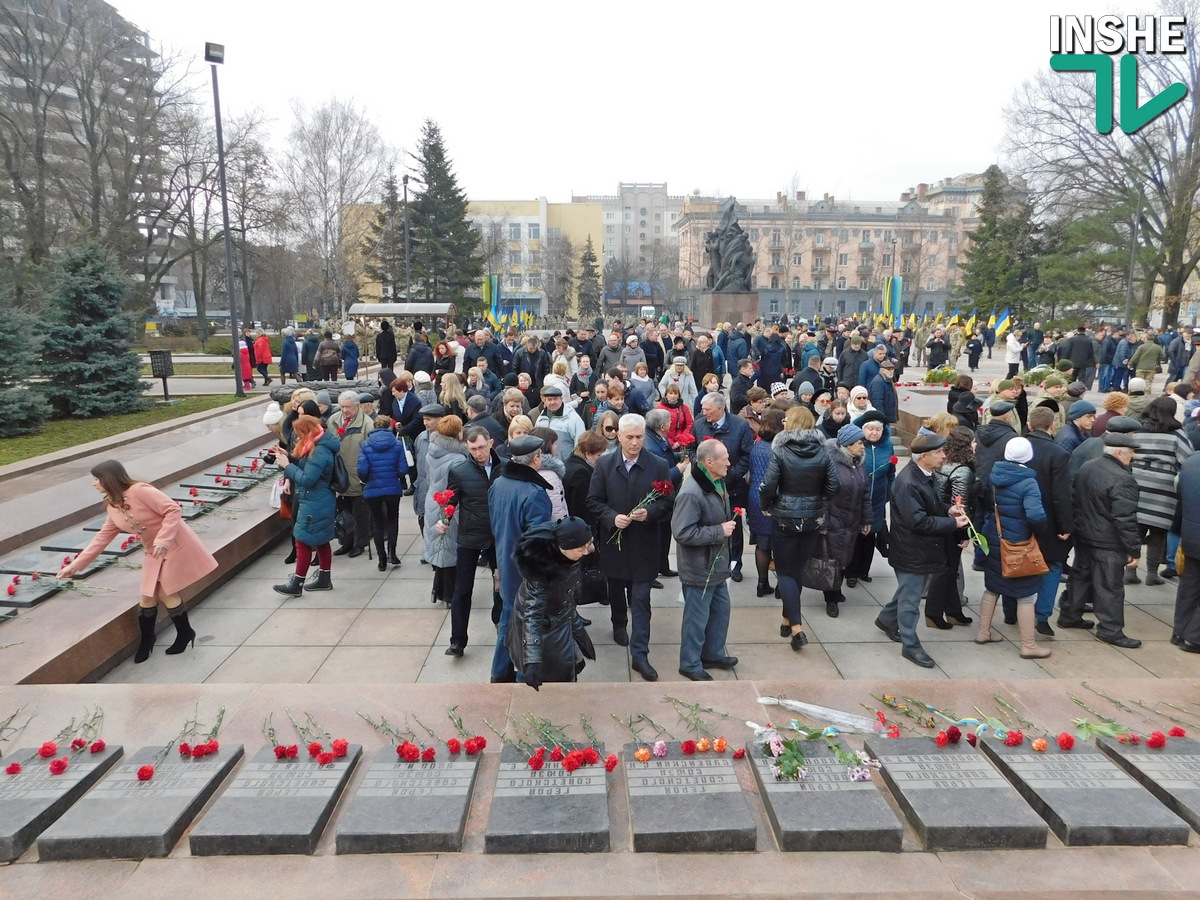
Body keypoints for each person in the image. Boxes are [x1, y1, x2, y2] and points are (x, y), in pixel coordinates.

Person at [61, 461, 217, 663]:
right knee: (147, 595)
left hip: (175, 544)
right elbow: (102, 538)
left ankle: (184, 633)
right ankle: (148, 640)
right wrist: (75, 566)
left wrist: (163, 539)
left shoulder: (140, 490)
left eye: (96, 479)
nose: (94, 483)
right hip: (154, 551)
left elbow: (172, 510)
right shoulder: (112, 505)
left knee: (164, 591)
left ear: (109, 479)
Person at [588, 413, 674, 681]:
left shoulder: (658, 464)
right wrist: (611, 517)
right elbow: (593, 501)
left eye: (639, 437)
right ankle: (618, 623)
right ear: (619, 437)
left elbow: (668, 502)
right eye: (630, 437)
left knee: (640, 599)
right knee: (616, 589)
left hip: (645, 546)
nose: (635, 442)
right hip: (615, 544)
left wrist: (649, 512)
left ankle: (640, 654)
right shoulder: (604, 465)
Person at [874, 433, 971, 668]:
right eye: (939, 452)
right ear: (924, 456)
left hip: (920, 549)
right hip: (911, 551)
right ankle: (911, 646)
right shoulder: (908, 482)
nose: (944, 456)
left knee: (910, 591)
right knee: (910, 601)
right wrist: (953, 524)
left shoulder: (924, 474)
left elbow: (931, 506)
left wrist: (948, 511)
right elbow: (917, 521)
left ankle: (887, 620)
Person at [759, 406, 839, 650]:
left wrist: (766, 505)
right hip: (812, 517)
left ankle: (796, 626)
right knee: (796, 571)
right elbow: (834, 485)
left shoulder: (781, 451)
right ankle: (786, 620)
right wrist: (817, 498)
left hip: (784, 516)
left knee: (784, 572)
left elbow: (768, 484)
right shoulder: (824, 452)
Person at [1059, 431, 1143, 647]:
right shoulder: (1123, 478)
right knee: (1110, 587)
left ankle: (1069, 615)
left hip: (1085, 534)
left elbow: (1075, 498)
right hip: (1108, 541)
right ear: (1119, 452)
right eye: (1131, 453)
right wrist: (1133, 549)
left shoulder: (1088, 466)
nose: (1132, 456)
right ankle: (1110, 630)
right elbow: (1125, 518)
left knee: (1080, 576)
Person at [972, 437, 1053, 658]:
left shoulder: (995, 476)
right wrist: (1043, 530)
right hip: (1019, 545)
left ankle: (983, 632)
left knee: (992, 588)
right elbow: (1036, 515)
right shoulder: (1028, 482)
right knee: (1026, 595)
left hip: (997, 539)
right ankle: (1028, 645)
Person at [672, 437, 739, 680]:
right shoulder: (691, 493)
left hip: (717, 565)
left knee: (721, 612)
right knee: (696, 620)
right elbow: (681, 532)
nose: (729, 463)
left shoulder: (717, 482)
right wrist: (718, 532)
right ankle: (689, 664)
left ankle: (712, 654)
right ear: (709, 462)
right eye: (725, 459)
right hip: (700, 569)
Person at [489, 433, 554, 682]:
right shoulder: (534, 492)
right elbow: (537, 543)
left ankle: (497, 675)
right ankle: (522, 679)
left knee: (508, 619)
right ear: (536, 459)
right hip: (525, 573)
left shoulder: (499, 484)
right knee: (526, 628)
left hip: (506, 565)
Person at [507, 517, 597, 688]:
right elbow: (532, 616)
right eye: (581, 548)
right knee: (540, 675)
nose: (588, 551)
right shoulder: (540, 573)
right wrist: (532, 662)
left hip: (562, 617)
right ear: (562, 548)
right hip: (542, 626)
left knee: (566, 668)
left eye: (589, 543)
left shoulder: (568, 552)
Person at [444, 424, 502, 654]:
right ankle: (457, 640)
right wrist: (444, 519)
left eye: (481, 447)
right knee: (463, 589)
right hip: (470, 535)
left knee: (502, 585)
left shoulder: (504, 467)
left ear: (491, 443)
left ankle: (500, 621)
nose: (478, 453)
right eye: (473, 449)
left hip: (498, 535)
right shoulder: (459, 471)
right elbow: (451, 499)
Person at [271, 414, 340, 596]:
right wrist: (289, 458)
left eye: (300, 433)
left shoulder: (319, 451)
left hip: (314, 502)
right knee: (322, 540)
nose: (298, 437)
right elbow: (306, 467)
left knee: (302, 541)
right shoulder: (318, 445)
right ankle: (324, 579)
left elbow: (308, 478)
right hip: (319, 500)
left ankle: (297, 583)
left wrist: (287, 466)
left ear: (307, 431)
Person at [1131, 395, 1194, 585]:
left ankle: (1130, 569)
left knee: (1136, 529)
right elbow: (1187, 459)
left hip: (1138, 483)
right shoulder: (1176, 433)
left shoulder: (1139, 429)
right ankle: (1151, 573)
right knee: (1158, 532)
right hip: (1164, 489)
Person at [1023, 406, 1075, 635]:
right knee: (1052, 565)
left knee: (1018, 562)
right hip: (1048, 520)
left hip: (1018, 517)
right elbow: (1060, 493)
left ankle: (1012, 611)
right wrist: (1066, 525)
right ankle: (1041, 616)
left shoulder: (1015, 447)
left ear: (1029, 425)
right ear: (1052, 425)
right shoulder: (1058, 453)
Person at [692, 392, 755, 582]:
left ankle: (735, 564)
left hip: (732, 486)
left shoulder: (740, 426)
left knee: (733, 528)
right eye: (702, 409)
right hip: (706, 486)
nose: (704, 413)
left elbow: (747, 455)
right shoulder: (699, 424)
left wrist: (732, 473)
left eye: (707, 410)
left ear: (720, 409)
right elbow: (692, 449)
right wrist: (702, 469)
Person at [924, 426, 976, 628]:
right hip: (953, 526)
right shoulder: (962, 471)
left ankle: (953, 610)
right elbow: (960, 505)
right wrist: (965, 533)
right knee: (946, 569)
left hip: (942, 521)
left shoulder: (945, 463)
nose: (975, 445)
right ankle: (934, 614)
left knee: (949, 568)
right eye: (972, 441)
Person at [822, 423, 871, 618]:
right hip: (834, 520)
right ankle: (831, 599)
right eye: (860, 442)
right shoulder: (831, 463)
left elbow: (865, 492)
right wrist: (824, 522)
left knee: (844, 558)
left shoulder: (859, 462)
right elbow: (822, 495)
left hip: (852, 521)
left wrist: (867, 519)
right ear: (849, 444)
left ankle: (837, 590)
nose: (863, 446)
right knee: (832, 560)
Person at [848, 410, 894, 586]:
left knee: (871, 536)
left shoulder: (887, 446)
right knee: (856, 536)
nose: (874, 433)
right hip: (857, 499)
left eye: (878, 429)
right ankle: (851, 572)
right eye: (870, 429)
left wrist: (887, 493)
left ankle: (863, 570)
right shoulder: (857, 446)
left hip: (877, 500)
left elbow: (891, 473)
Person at [356, 414, 409, 571]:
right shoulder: (397, 444)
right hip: (392, 487)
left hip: (373, 488)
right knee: (393, 520)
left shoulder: (365, 445)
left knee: (378, 523)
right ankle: (392, 552)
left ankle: (382, 559)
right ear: (389, 427)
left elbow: (362, 470)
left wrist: (365, 479)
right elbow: (403, 469)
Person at [327, 391, 374, 557]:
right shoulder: (333, 420)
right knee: (342, 511)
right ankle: (345, 542)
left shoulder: (366, 424)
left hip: (357, 473)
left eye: (348, 407)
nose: (345, 410)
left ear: (356, 406)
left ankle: (360, 543)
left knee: (360, 512)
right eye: (342, 407)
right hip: (339, 474)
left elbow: (370, 451)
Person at [1173, 449, 1200, 652]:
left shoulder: (1191, 463)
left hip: (1191, 534)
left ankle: (1180, 631)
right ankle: (1194, 637)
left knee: (1189, 585)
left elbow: (1181, 500)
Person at [868, 358, 899, 423]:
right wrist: (882, 418)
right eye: (888, 369)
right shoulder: (878, 382)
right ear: (882, 370)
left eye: (892, 369)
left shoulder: (888, 379)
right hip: (882, 418)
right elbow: (877, 401)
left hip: (887, 417)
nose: (891, 371)